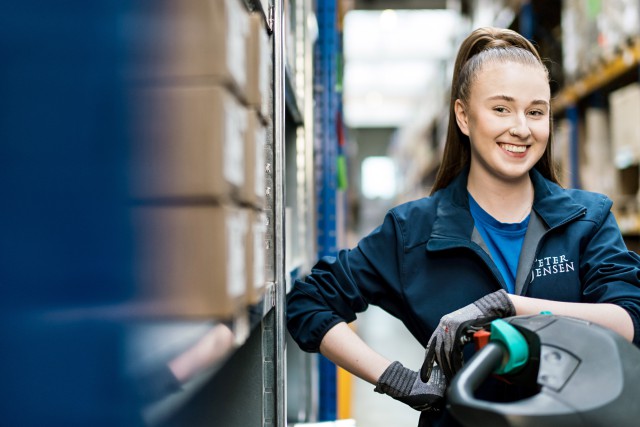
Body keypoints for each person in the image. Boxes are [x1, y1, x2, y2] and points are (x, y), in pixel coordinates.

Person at [286, 26, 640, 427]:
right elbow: (309, 301)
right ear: (463, 116)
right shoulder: (413, 232)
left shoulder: (586, 219)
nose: (522, 128)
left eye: (536, 111)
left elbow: (629, 321)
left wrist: (507, 306)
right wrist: (394, 378)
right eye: (501, 109)